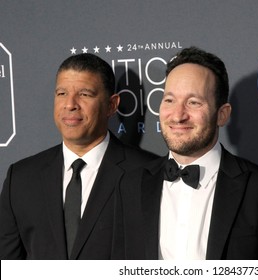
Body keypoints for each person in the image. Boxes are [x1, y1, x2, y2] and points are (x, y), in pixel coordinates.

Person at [112, 46, 258, 260]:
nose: (178, 115)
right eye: (169, 100)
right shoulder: (130, 185)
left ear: (222, 115)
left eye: (193, 102)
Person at [0, 53, 157, 259]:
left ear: (111, 105)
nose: (70, 104)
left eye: (84, 94)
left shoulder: (148, 174)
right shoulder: (21, 178)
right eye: (62, 93)